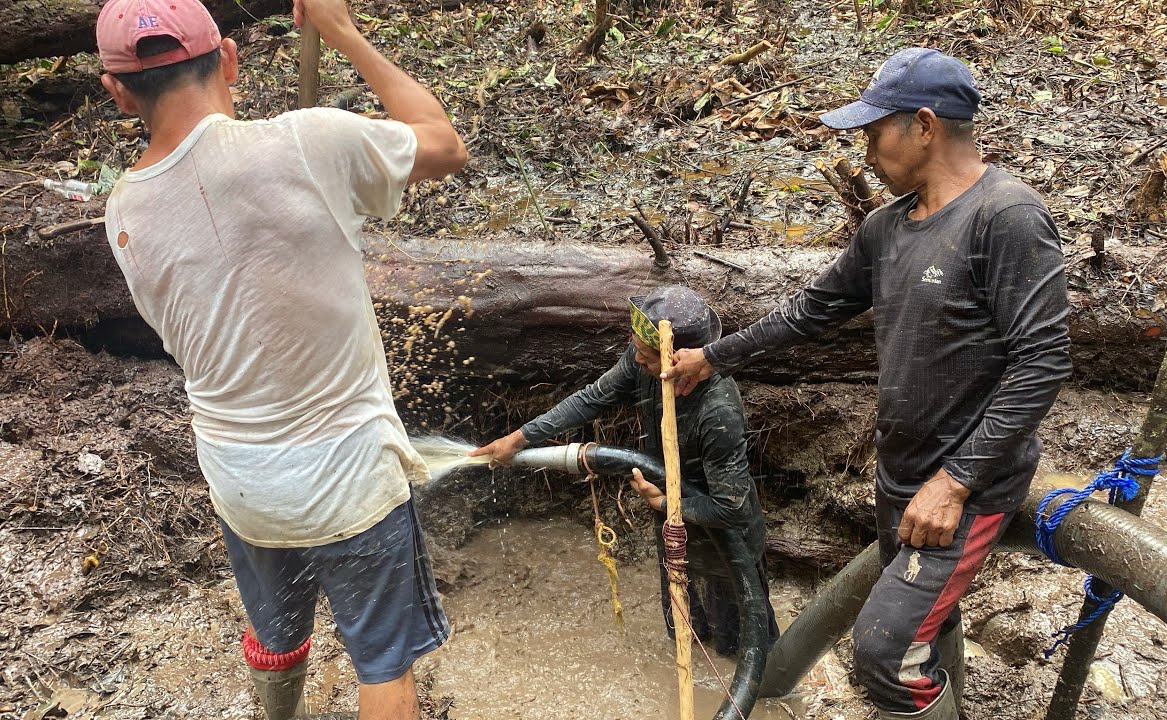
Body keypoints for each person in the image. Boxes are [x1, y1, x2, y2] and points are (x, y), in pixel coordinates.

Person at [664, 48, 1072, 720]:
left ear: (922, 125)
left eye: (872, 133)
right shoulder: (887, 227)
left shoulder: (1006, 217)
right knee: (925, 629)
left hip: (964, 488)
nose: (865, 151)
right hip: (899, 476)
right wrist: (714, 357)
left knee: (883, 650)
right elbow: (810, 310)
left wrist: (956, 482)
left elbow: (1043, 361)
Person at [94, 0, 467, 717]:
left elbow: (182, 337)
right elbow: (443, 144)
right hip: (347, 480)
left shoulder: (123, 212)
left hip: (240, 479)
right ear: (229, 58)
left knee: (277, 629)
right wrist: (343, 31)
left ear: (117, 91)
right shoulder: (307, 141)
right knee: (383, 666)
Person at [471, 286, 780, 657]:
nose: (635, 359)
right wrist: (520, 438)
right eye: (633, 347)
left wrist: (667, 501)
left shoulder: (717, 412)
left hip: (724, 542)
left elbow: (730, 507)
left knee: (743, 646)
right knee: (685, 629)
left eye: (645, 355)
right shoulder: (645, 362)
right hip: (672, 524)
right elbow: (592, 398)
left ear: (680, 362)